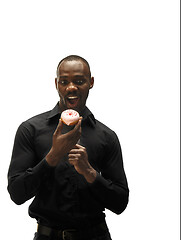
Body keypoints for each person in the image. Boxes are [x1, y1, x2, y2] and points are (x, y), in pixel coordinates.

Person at [8, 55, 129, 240]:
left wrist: (89, 172)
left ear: (91, 82)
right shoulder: (30, 129)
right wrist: (53, 156)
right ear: (57, 84)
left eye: (79, 81)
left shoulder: (107, 136)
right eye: (64, 81)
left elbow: (120, 203)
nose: (71, 87)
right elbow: (17, 194)